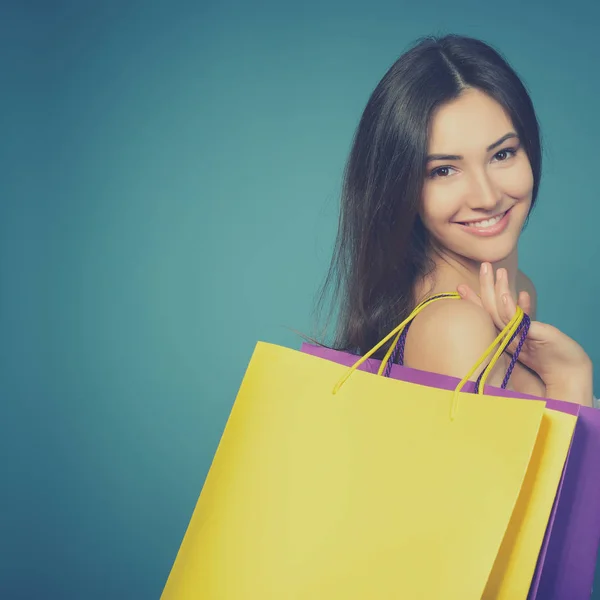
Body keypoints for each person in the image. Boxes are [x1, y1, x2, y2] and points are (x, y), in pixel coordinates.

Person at [318, 34, 594, 407]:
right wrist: (568, 378)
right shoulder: (456, 327)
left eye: (502, 154)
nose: (487, 197)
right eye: (444, 170)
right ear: (401, 188)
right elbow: (521, 469)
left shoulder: (512, 292)